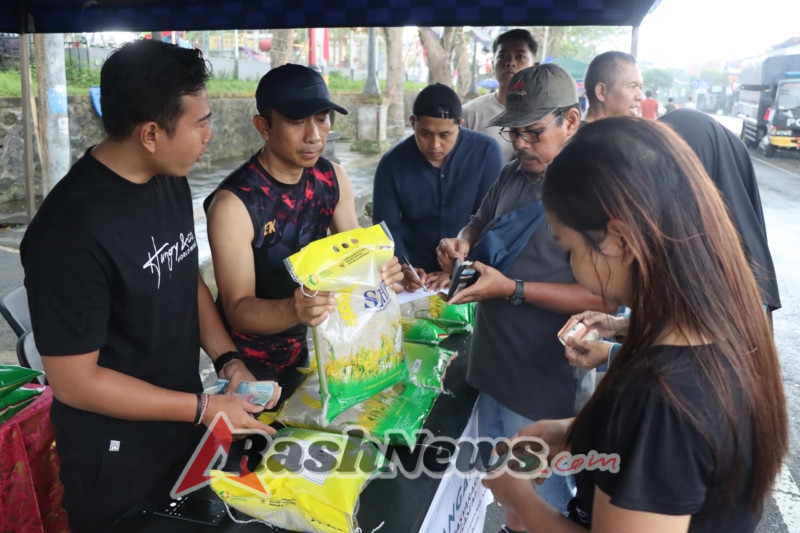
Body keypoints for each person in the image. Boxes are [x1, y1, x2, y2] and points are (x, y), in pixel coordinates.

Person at [484, 116, 788, 533]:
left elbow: (661, 436)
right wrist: (576, 431)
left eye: (568, 247)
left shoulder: (659, 399)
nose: (571, 264)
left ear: (618, 239)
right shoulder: (728, 326)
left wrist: (519, 497)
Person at [20, 39, 273, 533]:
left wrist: (229, 361)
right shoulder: (69, 232)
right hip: (115, 460)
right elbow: (75, 382)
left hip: (180, 426)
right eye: (199, 123)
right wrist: (202, 406)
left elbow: (182, 274)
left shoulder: (167, 175)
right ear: (151, 133)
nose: (209, 135)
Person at [436, 63, 610, 531]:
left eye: (533, 132)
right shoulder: (514, 173)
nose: (520, 144)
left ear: (571, 121)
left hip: (544, 385)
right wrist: (463, 242)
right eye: (514, 132)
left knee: (547, 502)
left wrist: (512, 289)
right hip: (493, 367)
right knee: (508, 495)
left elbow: (606, 298)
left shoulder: (594, 192)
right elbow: (479, 218)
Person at [204, 64, 403, 396]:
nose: (314, 136)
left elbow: (352, 256)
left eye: (321, 119)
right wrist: (292, 309)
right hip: (251, 365)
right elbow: (236, 309)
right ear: (263, 126)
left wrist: (379, 269)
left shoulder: (332, 178)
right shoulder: (234, 204)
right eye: (297, 122)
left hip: (319, 345)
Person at [565, 108, 783, 370]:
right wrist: (622, 325)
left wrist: (612, 354)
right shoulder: (687, 242)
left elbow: (705, 369)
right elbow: (682, 323)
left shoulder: (741, 277)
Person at [372, 83, 503, 288]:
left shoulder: (486, 152)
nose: (435, 145)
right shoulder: (391, 164)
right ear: (412, 123)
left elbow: (491, 221)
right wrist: (403, 269)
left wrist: (460, 272)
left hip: (471, 268)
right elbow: (385, 230)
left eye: (445, 135)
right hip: (416, 273)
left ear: (460, 124)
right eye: (425, 134)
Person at [462, 28, 538, 161]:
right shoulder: (470, 114)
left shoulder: (547, 116)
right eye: (503, 57)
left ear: (534, 66)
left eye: (520, 57)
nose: (510, 63)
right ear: (493, 65)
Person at [583, 50, 644, 123]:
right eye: (632, 86)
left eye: (640, 88)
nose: (640, 97)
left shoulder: (610, 132)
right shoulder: (586, 134)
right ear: (601, 92)